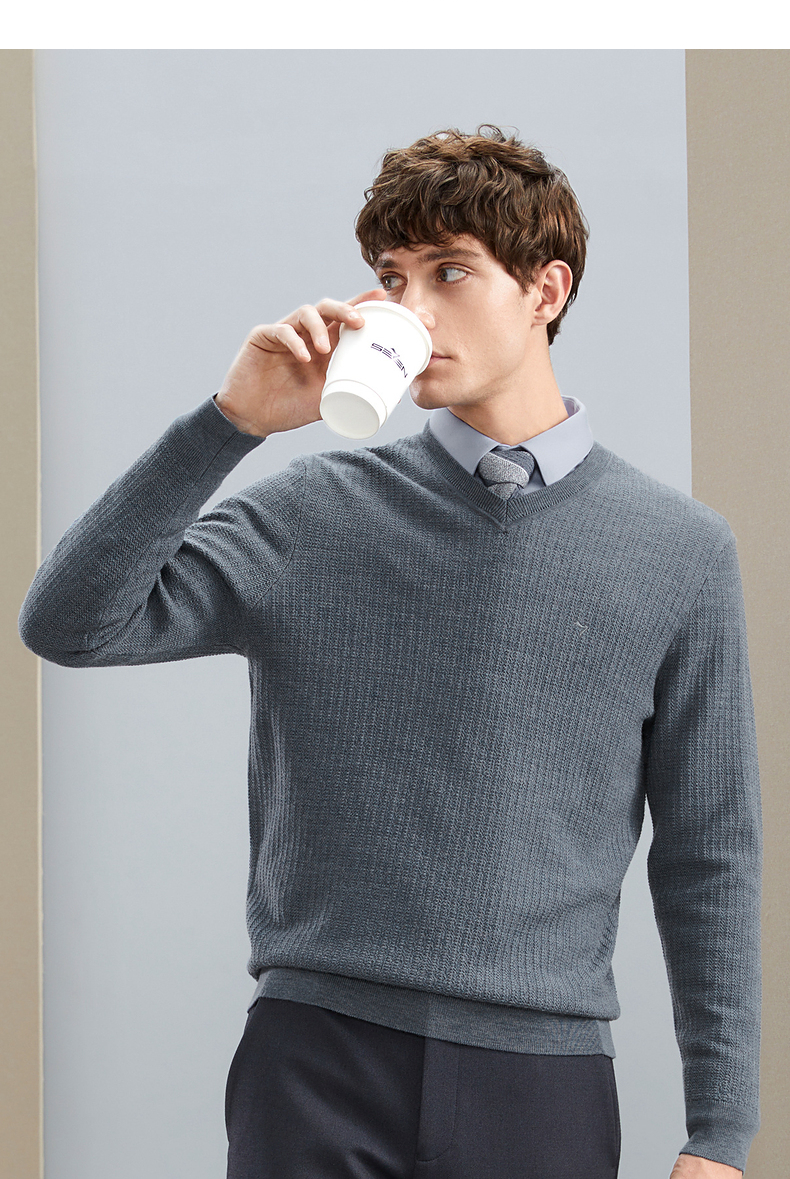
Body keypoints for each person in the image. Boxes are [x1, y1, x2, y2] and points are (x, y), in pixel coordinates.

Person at [19, 126, 761, 1179]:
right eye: (392, 277)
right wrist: (230, 423)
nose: (410, 308)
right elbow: (69, 622)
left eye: (450, 271)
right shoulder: (312, 513)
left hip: (540, 1078)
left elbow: (708, 849)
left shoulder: (680, 551)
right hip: (315, 1056)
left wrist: (720, 1132)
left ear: (545, 289)